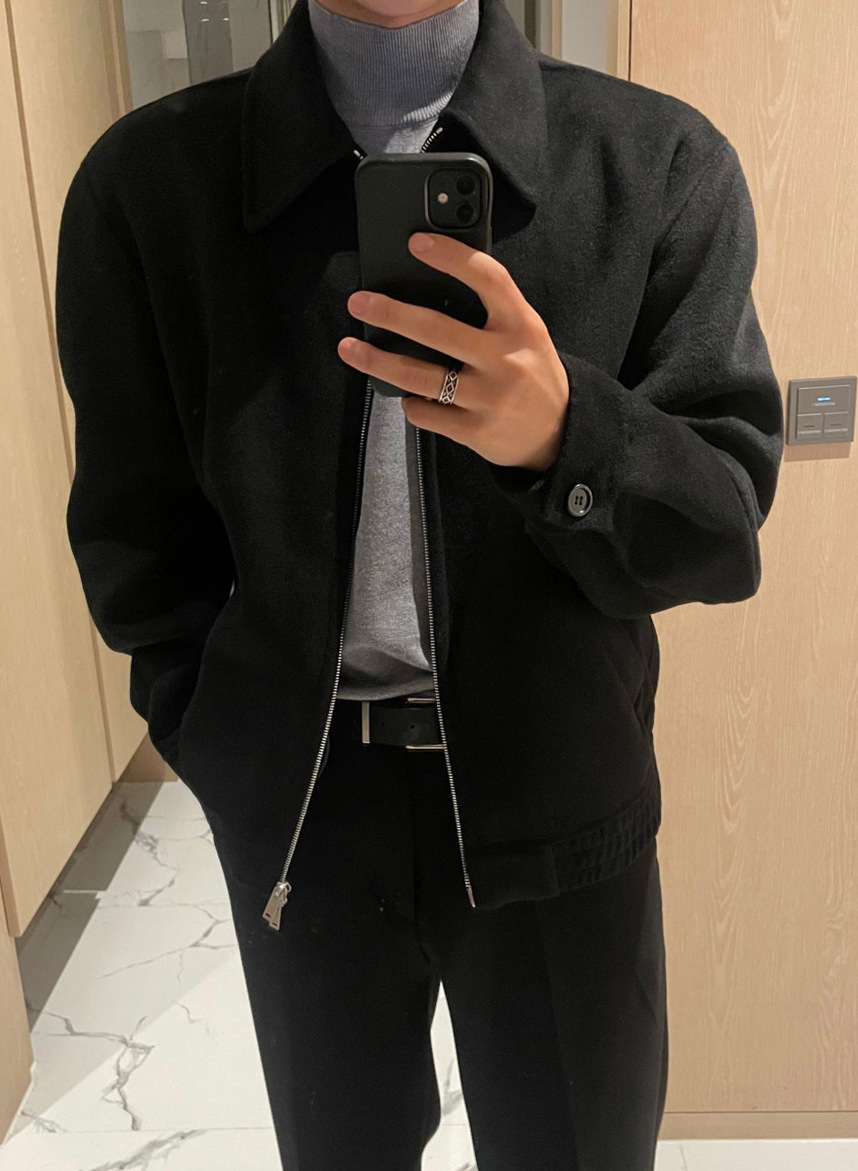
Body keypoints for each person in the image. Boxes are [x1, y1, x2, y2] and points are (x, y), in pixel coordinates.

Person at [55, 0, 784, 1167]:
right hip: (306, 815)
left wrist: (567, 437)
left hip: (560, 792)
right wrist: (222, 736)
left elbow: (720, 530)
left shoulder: (656, 163)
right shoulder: (149, 187)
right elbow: (135, 533)